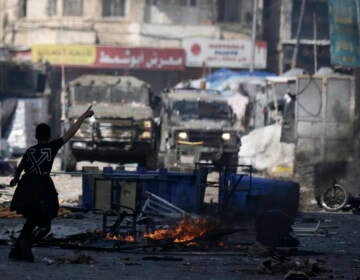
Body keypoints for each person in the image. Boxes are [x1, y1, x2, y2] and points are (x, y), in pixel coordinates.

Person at [8, 105, 94, 262]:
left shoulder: (30, 151)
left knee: (31, 220)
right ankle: (26, 244)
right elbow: (70, 133)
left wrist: (15, 180)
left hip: (26, 187)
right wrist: (82, 117)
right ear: (48, 136)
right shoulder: (51, 147)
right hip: (42, 186)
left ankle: (18, 249)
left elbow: (20, 168)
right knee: (45, 223)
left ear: (36, 136)